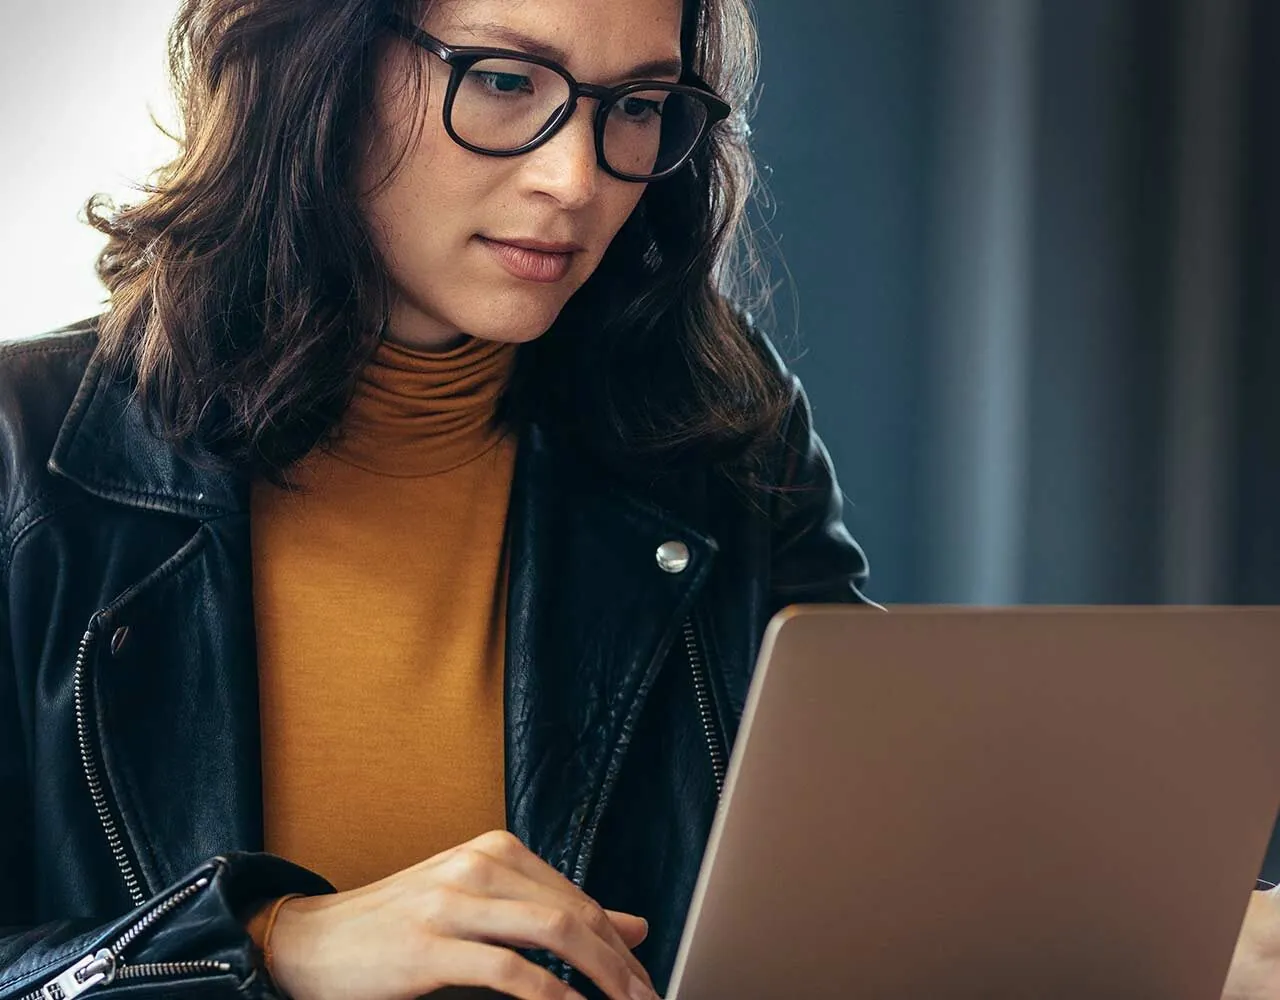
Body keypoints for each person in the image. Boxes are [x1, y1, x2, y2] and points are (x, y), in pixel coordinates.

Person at [0, 1, 1276, 999]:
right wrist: (275, 943)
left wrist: (1128, 933)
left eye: (637, 105)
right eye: (505, 81)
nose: (578, 177)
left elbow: (874, 861)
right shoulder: (26, 450)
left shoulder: (712, 432)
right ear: (314, 65)